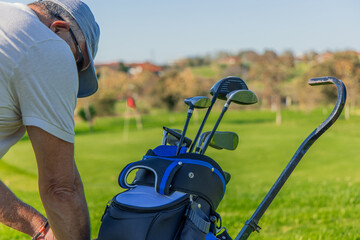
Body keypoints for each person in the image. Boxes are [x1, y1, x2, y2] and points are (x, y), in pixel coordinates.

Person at [0, 0, 100, 239]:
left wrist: (39, 229)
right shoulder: (47, 44)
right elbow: (61, 189)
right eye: (77, 61)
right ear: (59, 28)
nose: (72, 74)